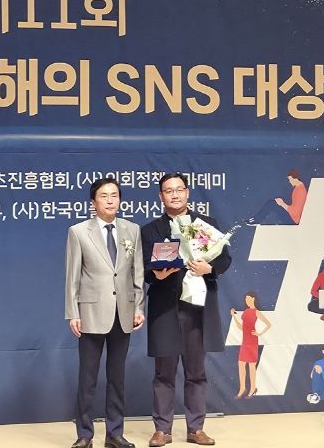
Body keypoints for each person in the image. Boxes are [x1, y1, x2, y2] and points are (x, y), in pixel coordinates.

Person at [142, 173, 232, 447]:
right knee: (163, 373)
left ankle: (196, 428)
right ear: (161, 196)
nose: (175, 195)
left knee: (196, 371)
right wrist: (154, 275)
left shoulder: (207, 225)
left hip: (197, 308)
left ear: (188, 192)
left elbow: (225, 258)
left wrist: (209, 268)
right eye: (168, 191)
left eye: (179, 189)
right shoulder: (151, 230)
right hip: (165, 308)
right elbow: (143, 267)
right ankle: (162, 429)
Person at [65, 177, 145, 448]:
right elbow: (72, 276)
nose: (110, 201)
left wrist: (138, 306)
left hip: (123, 312)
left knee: (117, 378)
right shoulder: (78, 232)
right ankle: (84, 434)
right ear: (93, 202)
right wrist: (73, 312)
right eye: (104, 196)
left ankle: (115, 433)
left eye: (114, 195)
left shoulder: (132, 230)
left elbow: (137, 272)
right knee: (87, 378)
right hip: (90, 313)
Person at [230, 291, 271, 398]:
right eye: (246, 299)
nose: (246, 301)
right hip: (245, 342)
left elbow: (268, 324)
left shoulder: (256, 312)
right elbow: (242, 328)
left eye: (248, 298)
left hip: (252, 342)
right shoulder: (246, 312)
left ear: (253, 299)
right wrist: (233, 316)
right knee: (241, 364)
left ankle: (253, 388)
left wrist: (259, 333)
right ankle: (242, 388)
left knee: (251, 366)